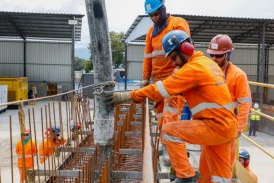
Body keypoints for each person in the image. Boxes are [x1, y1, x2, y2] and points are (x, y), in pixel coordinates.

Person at [105, 30, 238, 183]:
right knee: (219, 177)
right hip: (227, 127)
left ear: (186, 49)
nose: (174, 63)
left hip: (216, 126)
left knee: (169, 131)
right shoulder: (206, 63)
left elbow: (160, 89)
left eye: (174, 57)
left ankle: (186, 175)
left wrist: (126, 96)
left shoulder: (192, 69)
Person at [142, 0, 190, 126]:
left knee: (171, 116)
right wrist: (145, 79)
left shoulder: (178, 24)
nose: (153, 18)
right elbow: (147, 57)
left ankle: (169, 141)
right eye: (150, 15)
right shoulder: (150, 32)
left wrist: (179, 73)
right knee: (160, 115)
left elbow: (185, 53)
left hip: (174, 78)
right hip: (158, 81)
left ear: (163, 9)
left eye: (156, 14)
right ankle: (164, 140)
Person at [207, 34, 252, 168]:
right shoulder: (206, 72)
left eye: (218, 56)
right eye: (212, 55)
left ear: (228, 54)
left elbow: (245, 103)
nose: (214, 59)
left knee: (225, 166)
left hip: (228, 128)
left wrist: (238, 129)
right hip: (208, 125)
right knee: (207, 164)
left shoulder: (238, 75)